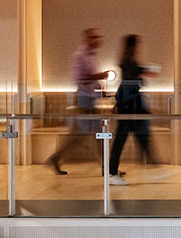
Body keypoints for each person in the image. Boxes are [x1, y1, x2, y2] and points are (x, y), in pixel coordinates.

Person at [47, 27, 112, 175]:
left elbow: (91, 78)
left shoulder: (92, 57)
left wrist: (100, 88)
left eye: (98, 37)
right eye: (94, 37)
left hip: (91, 100)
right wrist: (99, 77)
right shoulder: (79, 56)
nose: (97, 40)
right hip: (84, 100)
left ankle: (106, 167)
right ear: (87, 39)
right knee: (86, 134)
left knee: (95, 134)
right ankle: (56, 158)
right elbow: (79, 79)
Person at [107, 34, 166, 185]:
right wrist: (145, 72)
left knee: (140, 137)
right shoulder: (127, 63)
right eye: (138, 44)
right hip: (130, 106)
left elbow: (131, 77)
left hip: (131, 105)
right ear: (133, 46)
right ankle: (113, 173)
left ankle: (153, 169)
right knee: (125, 138)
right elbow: (130, 78)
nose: (141, 46)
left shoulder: (129, 62)